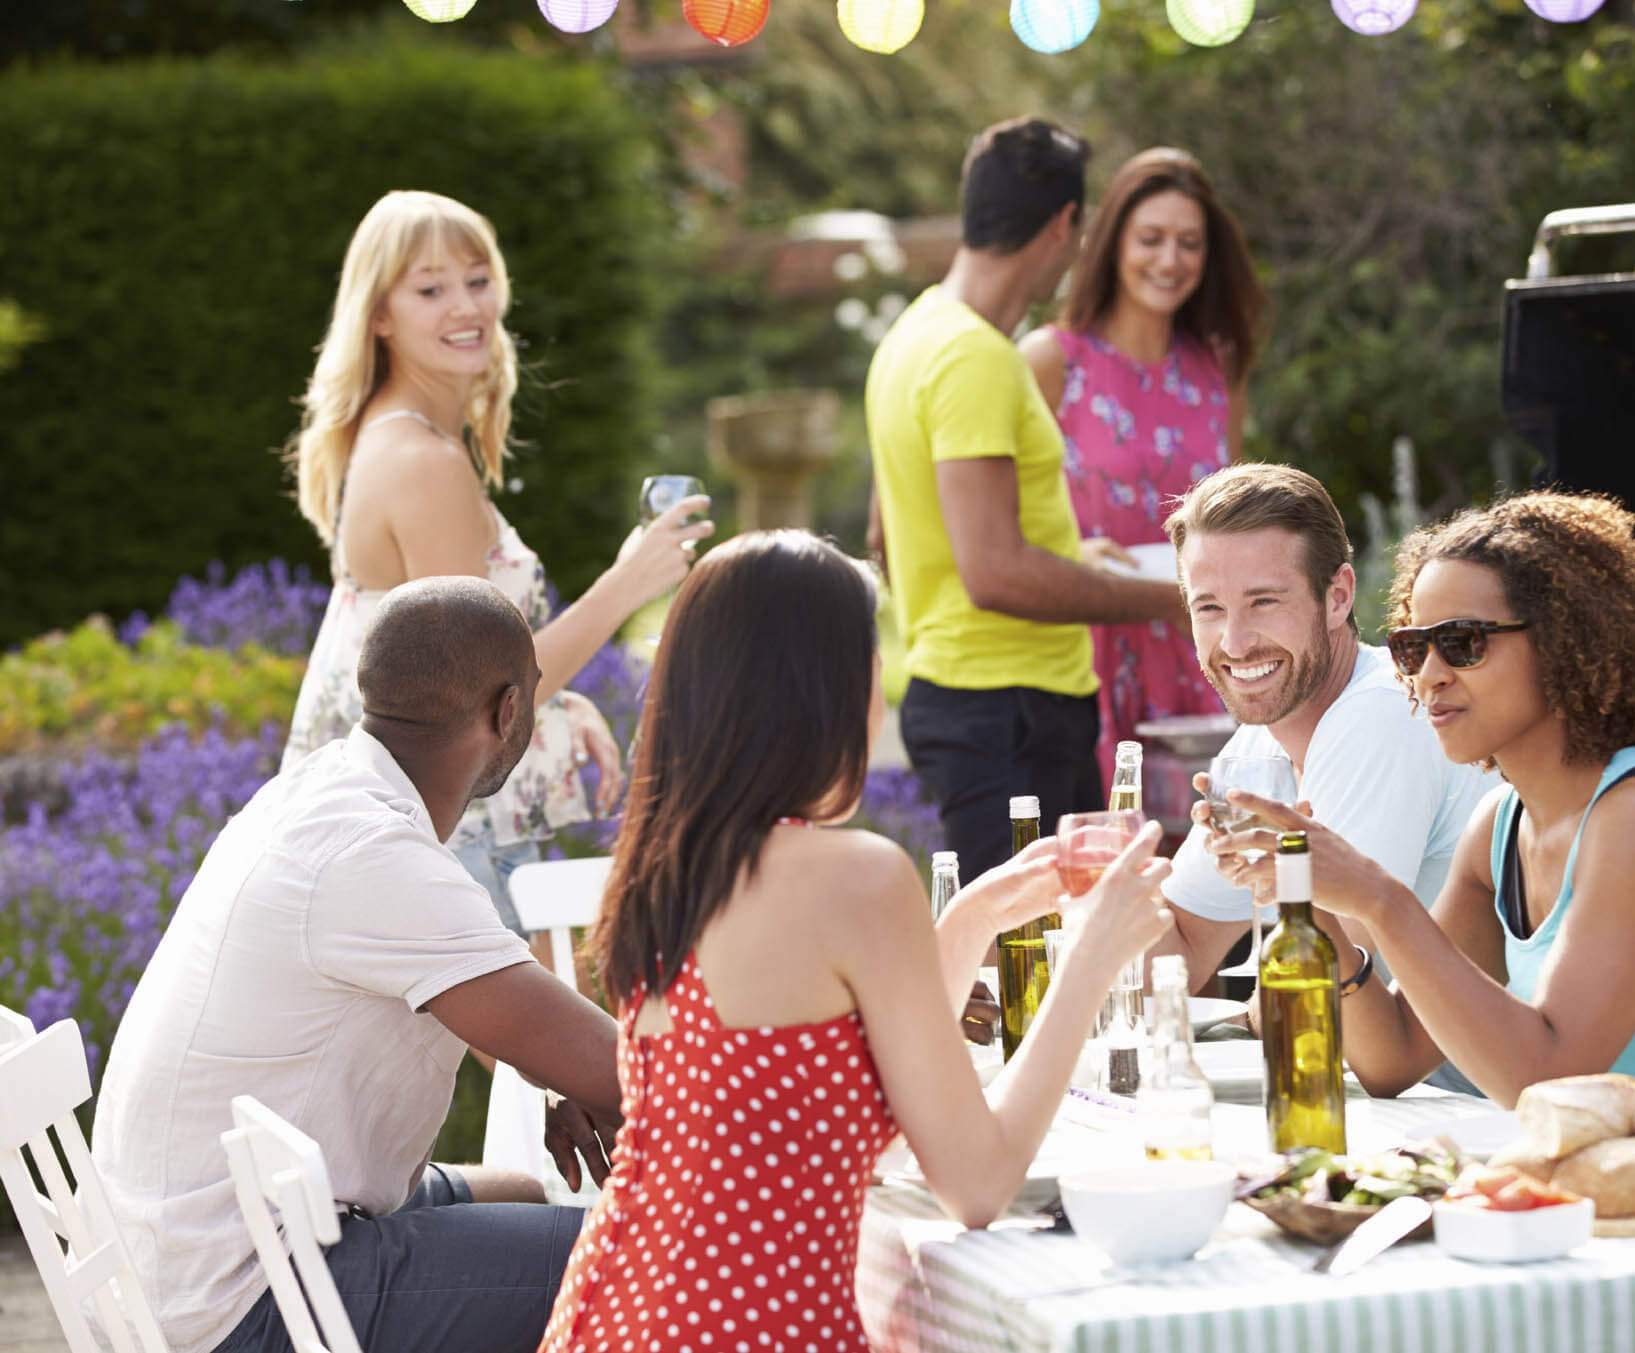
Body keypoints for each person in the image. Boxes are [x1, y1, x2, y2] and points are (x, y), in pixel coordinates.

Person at [538, 531, 1176, 1352]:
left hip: (616, 1314)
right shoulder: (855, 877)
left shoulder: (674, 865)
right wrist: (1091, 957)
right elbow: (977, 1183)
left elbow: (831, 1068)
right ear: (827, 690)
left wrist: (977, 914)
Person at [92, 576, 625, 1353]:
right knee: (640, 1258)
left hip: (190, 1245)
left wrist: (561, 1072)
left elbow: (544, 1037)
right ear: (509, 711)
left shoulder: (314, 794)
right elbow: (622, 1070)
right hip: (247, 1298)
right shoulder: (375, 857)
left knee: (524, 1189)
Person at [1207, 492, 1635, 1117]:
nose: (1430, 675)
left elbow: (1549, 1078)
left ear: (1563, 642)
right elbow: (1391, 1060)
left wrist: (1377, 896)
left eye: (1464, 642)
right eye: (1414, 647)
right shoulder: (1499, 827)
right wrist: (1307, 900)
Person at [280, 189, 709, 930]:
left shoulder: (407, 439)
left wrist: (565, 704)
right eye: (430, 288)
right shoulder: (421, 461)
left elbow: (464, 673)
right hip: (438, 835)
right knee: (567, 1042)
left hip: (420, 822)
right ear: (379, 316)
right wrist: (629, 582)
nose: (465, 307)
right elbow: (483, 685)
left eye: (478, 281)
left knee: (554, 1039)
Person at [865, 117, 1191, 881]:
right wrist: (1168, 599)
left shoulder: (915, 333)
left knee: (1053, 961)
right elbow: (994, 573)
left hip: (990, 704)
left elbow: (891, 531)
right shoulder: (973, 355)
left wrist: (1071, 556)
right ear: (1066, 226)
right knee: (1023, 977)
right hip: (1005, 713)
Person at [1150, 464, 1499, 998]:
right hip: (1396, 1077)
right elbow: (1180, 947)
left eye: (1263, 601)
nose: (1236, 643)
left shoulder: (1381, 713)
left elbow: (1319, 990)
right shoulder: (1262, 741)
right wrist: (1089, 901)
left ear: (1338, 597)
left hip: (1472, 1081)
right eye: (1210, 609)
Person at [1019, 147, 1270, 790]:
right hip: (1089, 647)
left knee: (1209, 855)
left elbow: (1233, 517)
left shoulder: (1218, 369)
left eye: (1189, 243)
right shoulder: (1052, 361)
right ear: (1112, 245)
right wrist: (1070, 550)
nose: (1170, 260)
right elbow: (993, 516)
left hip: (1197, 646)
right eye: (1151, 238)